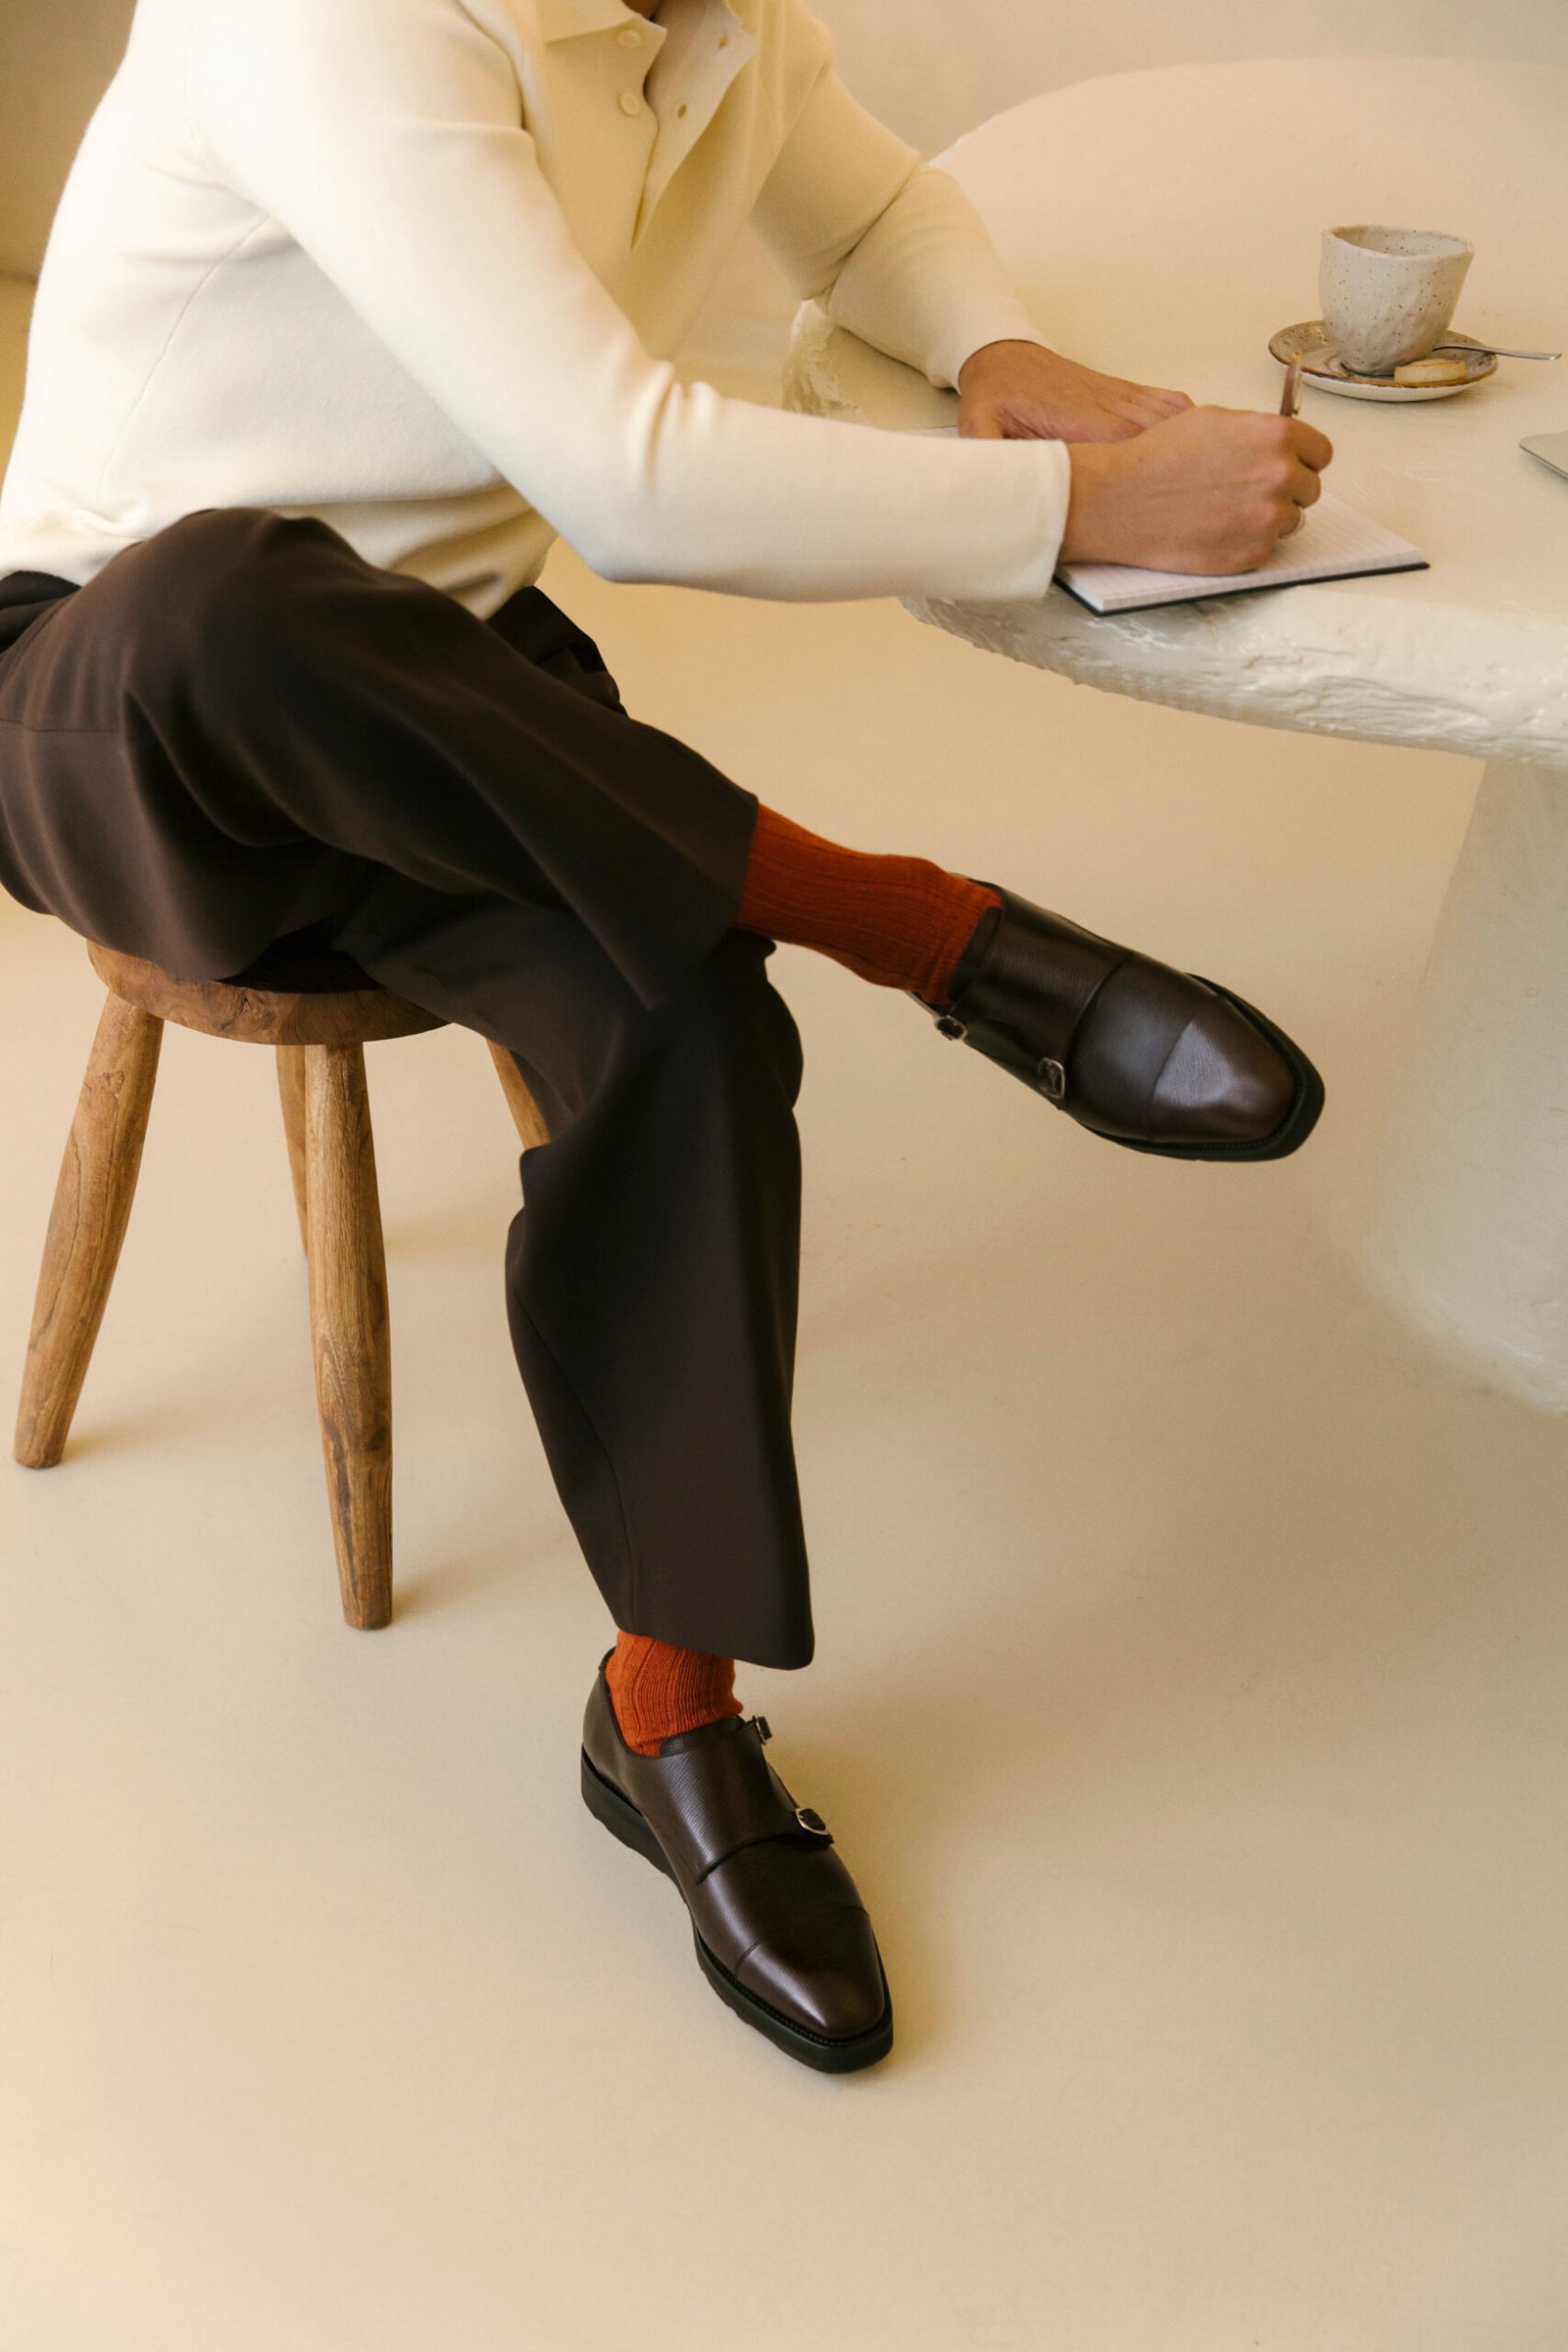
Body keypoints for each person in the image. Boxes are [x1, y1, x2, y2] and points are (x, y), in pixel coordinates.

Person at [0, 0, 1333, 2074]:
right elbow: (622, 477)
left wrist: (992, 348)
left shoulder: (710, 16)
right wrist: (1075, 512)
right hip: (125, 710)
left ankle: (668, 1714)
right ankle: (926, 930)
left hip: (464, 718)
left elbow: (866, 208)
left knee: (683, 1018)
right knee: (222, 596)